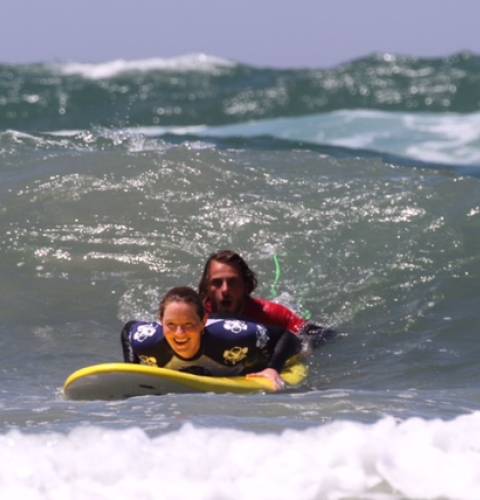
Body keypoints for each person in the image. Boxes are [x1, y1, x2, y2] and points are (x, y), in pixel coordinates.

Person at [121, 286, 302, 391]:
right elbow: (128, 329)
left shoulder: (231, 337)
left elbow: (289, 337)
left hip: (249, 343)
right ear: (160, 321)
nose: (179, 333)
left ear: (203, 322)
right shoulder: (147, 339)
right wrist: (132, 367)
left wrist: (273, 368)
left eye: (188, 325)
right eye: (170, 325)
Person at [198, 250, 335, 344]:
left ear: (246, 285)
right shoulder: (195, 315)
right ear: (206, 288)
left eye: (233, 282)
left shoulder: (268, 314)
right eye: (217, 283)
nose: (225, 290)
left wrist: (303, 348)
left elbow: (319, 334)